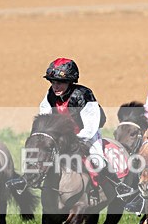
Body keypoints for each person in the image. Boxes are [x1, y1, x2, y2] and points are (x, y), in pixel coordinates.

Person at [38, 57, 133, 203]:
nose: (55, 86)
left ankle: (118, 186)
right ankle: (29, 180)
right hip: (63, 138)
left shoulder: (83, 95)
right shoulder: (50, 94)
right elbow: (45, 116)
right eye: (53, 82)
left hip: (87, 136)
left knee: (98, 161)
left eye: (60, 82)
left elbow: (91, 125)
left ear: (70, 81)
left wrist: (75, 140)